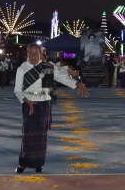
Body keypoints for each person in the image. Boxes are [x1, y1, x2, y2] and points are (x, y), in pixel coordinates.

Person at [14, 43, 89, 173]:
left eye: (36, 53)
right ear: (27, 54)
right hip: (28, 103)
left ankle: (38, 163)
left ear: (41, 54)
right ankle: (24, 163)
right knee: (28, 134)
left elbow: (61, 78)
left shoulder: (47, 67)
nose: (33, 55)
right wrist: (27, 101)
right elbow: (17, 90)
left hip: (44, 103)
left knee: (41, 135)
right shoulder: (22, 69)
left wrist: (77, 83)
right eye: (30, 52)